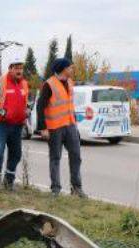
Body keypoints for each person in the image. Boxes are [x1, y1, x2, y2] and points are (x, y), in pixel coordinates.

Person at [36, 58, 87, 198]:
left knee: (76, 156)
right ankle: (55, 189)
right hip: (55, 128)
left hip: (70, 126)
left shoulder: (70, 82)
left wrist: (75, 122)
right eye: (70, 67)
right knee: (55, 158)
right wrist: (43, 128)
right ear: (63, 69)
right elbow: (40, 107)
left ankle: (76, 188)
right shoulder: (49, 84)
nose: (72, 70)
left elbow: (69, 104)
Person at [0, 58, 30, 192]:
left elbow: (25, 102)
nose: (19, 71)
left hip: (17, 125)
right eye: (16, 68)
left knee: (16, 153)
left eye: (20, 68)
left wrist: (27, 110)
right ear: (10, 69)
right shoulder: (1, 83)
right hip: (2, 124)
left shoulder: (24, 84)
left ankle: (9, 181)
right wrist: (1, 112)